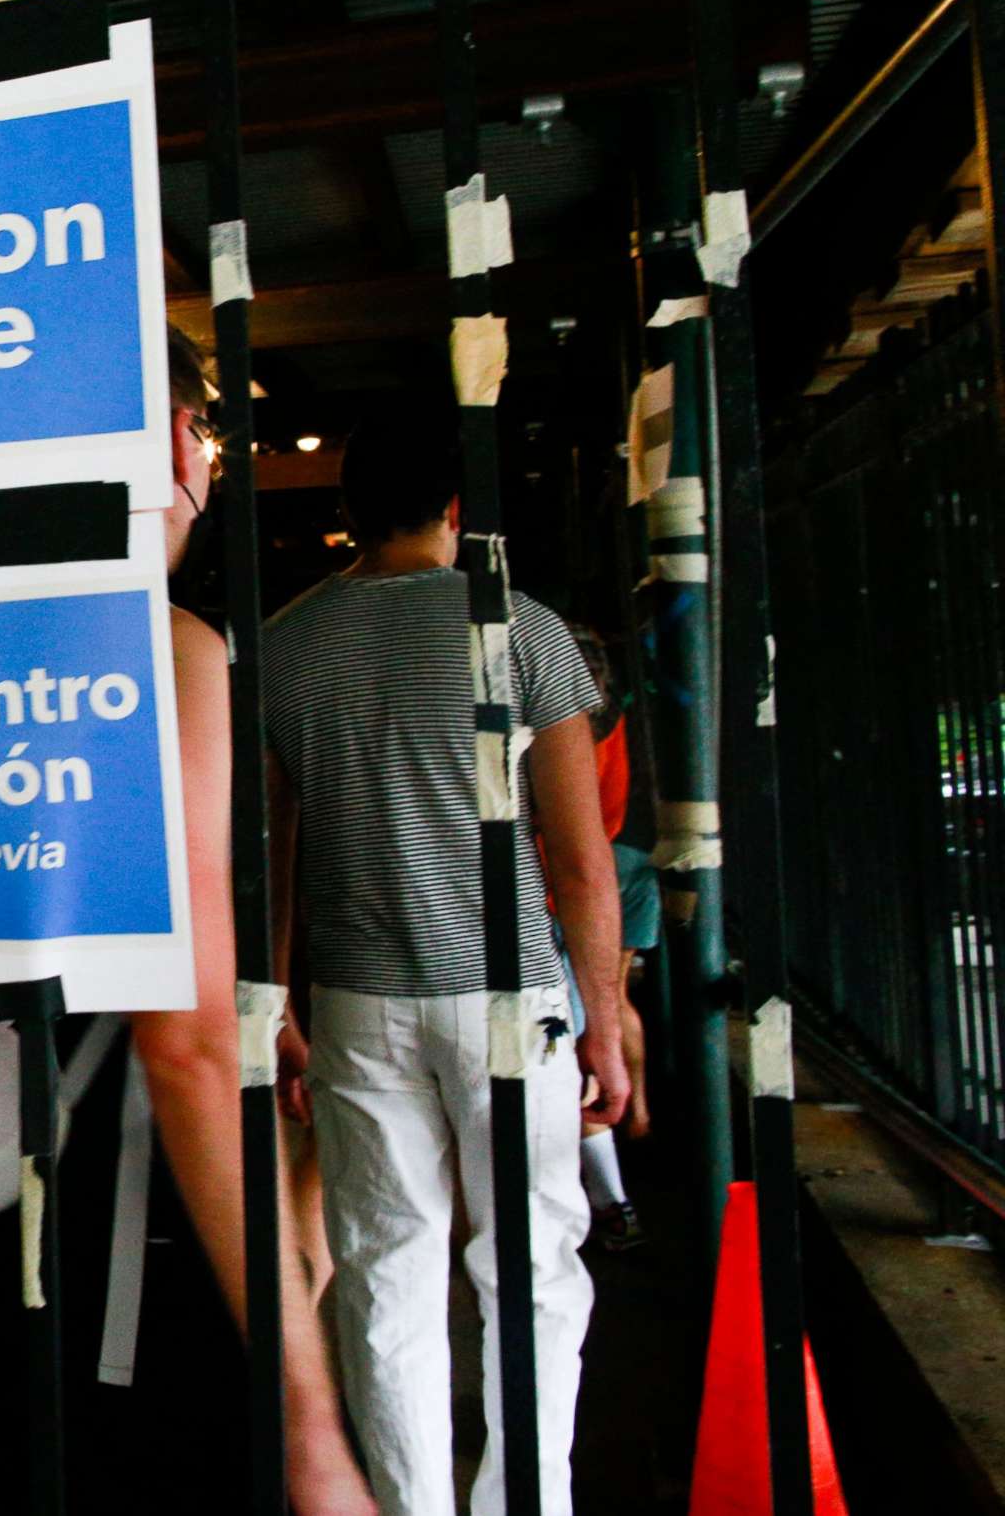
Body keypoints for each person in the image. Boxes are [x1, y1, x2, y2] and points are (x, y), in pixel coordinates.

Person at [0, 328, 376, 1515]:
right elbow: (182, 1042)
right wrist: (314, 1427)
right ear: (181, 440)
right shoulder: (168, 652)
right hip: (132, 1208)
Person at [265, 401, 629, 1516]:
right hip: (509, 1004)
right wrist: (606, 1019)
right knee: (528, 1279)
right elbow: (578, 860)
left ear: (346, 514)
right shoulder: (521, 630)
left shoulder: (284, 647)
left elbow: (274, 852)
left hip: (359, 1004)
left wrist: (278, 999)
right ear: (457, 513)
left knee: (388, 1277)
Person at [563, 625, 656, 1251]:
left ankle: (611, 1201)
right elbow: (607, 815)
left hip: (561, 879)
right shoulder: (608, 715)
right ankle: (638, 1111)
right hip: (613, 865)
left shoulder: (548, 709)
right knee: (612, 999)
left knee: (571, 1033)